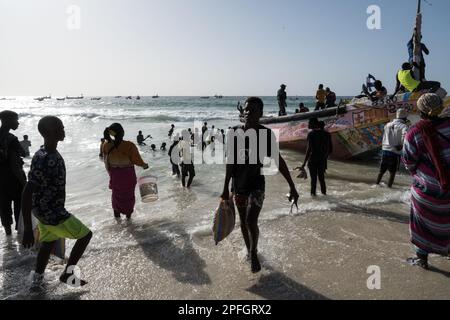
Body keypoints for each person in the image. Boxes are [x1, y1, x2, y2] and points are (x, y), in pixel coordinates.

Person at [220, 97, 299, 273]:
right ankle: (249, 251)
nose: (248, 112)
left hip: (257, 185)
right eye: (246, 109)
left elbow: (278, 160)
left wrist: (292, 186)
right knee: (242, 222)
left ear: (260, 114)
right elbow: (230, 163)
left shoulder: (265, 135)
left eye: (253, 110)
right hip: (238, 186)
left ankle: (254, 252)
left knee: (250, 220)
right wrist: (225, 188)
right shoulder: (234, 133)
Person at [21, 116, 92, 287]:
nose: (64, 130)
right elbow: (27, 192)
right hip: (52, 213)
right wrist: (28, 230)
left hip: (43, 210)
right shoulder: (47, 158)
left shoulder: (42, 152)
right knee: (85, 235)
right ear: (51, 132)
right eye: (60, 127)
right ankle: (68, 274)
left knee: (48, 242)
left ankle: (37, 279)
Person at [402, 93, 450, 270]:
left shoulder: (414, 132)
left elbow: (408, 161)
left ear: (420, 109)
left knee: (420, 223)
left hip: (427, 189)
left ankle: (421, 259)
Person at [102, 123, 149, 219]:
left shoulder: (106, 145)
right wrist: (144, 165)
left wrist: (111, 174)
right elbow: (137, 160)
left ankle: (117, 220)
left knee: (116, 197)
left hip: (115, 175)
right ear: (122, 132)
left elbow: (106, 161)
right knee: (129, 196)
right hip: (128, 175)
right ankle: (128, 219)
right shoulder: (129, 145)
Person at [0, 111, 26, 235]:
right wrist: (24, 182)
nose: (18, 122)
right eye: (16, 120)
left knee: (4, 209)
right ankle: (20, 239)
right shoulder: (11, 139)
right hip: (13, 180)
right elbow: (15, 164)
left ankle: (8, 238)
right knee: (19, 209)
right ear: (7, 120)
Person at [376, 109, 409, 188]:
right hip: (394, 151)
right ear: (404, 118)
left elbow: (385, 136)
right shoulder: (404, 126)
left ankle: (376, 184)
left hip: (385, 149)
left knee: (381, 171)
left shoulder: (387, 124)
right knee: (392, 172)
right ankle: (389, 188)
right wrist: (401, 145)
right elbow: (405, 136)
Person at [297, 118, 330, 196]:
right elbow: (328, 148)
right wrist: (324, 158)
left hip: (313, 159)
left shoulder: (311, 134)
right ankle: (324, 195)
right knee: (322, 179)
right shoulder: (326, 134)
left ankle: (313, 196)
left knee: (313, 180)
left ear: (314, 124)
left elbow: (309, 149)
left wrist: (304, 163)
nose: (308, 124)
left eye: (310, 123)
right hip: (321, 160)